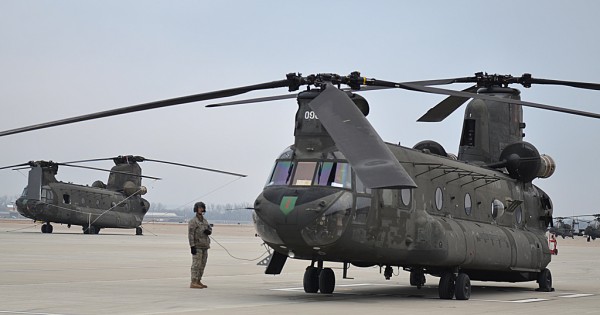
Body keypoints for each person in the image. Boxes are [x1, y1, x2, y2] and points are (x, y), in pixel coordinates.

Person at [188, 201, 212, 289]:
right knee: (196, 264)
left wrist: (209, 232)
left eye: (202, 208)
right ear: (196, 209)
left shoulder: (205, 220)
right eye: (199, 208)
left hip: (204, 245)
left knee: (202, 264)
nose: (201, 209)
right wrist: (192, 246)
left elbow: (209, 228)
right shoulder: (193, 221)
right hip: (197, 246)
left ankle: (198, 280)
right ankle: (193, 281)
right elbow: (190, 234)